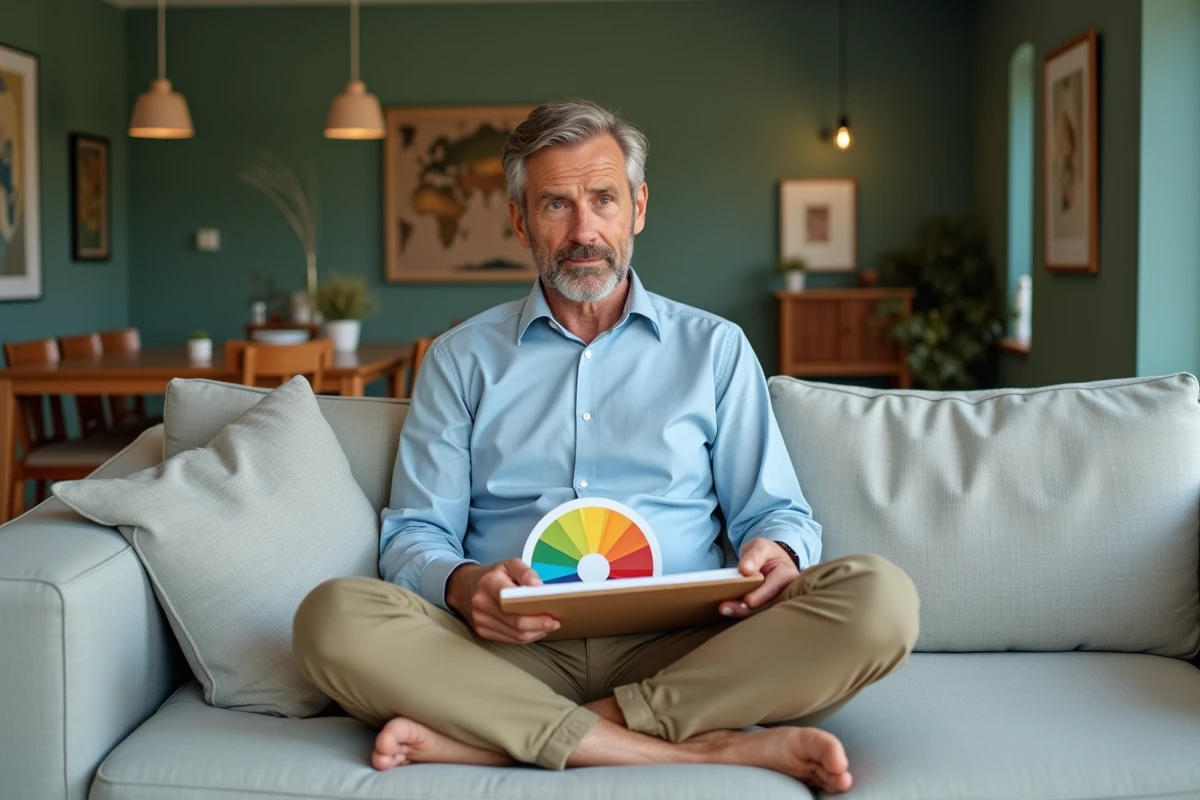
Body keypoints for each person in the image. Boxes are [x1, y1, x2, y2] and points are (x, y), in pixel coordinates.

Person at [293, 98, 919, 794]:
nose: (583, 230)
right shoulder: (458, 359)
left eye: (603, 199)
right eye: (556, 205)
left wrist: (778, 552)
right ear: (520, 220)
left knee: (879, 600)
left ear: (638, 207)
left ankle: (512, 738)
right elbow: (415, 534)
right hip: (508, 650)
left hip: (689, 645)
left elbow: (777, 515)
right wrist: (467, 585)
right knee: (333, 618)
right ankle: (696, 751)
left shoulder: (715, 349)